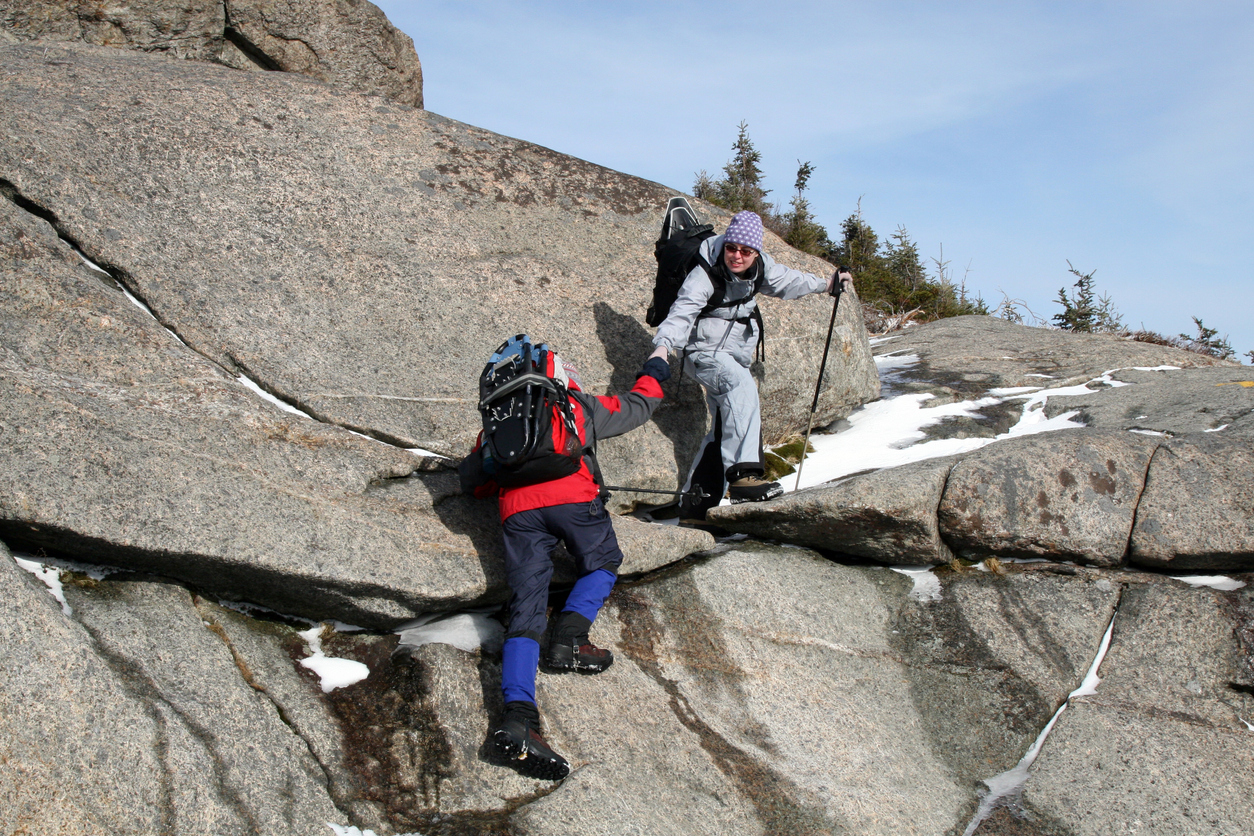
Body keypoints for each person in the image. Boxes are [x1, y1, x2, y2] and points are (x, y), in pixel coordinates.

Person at [459, 343, 671, 781]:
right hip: (574, 500)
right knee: (603, 561)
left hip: (517, 513)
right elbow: (638, 406)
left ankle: (519, 718)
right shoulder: (575, 404)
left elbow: (474, 482)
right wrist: (657, 367)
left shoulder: (499, 424)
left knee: (525, 611)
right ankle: (572, 637)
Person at [647, 210, 852, 518]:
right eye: (732, 248)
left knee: (723, 429)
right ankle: (743, 476)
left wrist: (826, 283)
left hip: (732, 353)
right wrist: (661, 349)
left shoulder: (761, 267)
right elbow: (682, 313)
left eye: (746, 251)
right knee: (739, 385)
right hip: (702, 350)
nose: (737, 256)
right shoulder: (704, 273)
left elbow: (788, 281)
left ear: (756, 252)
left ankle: (696, 505)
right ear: (726, 244)